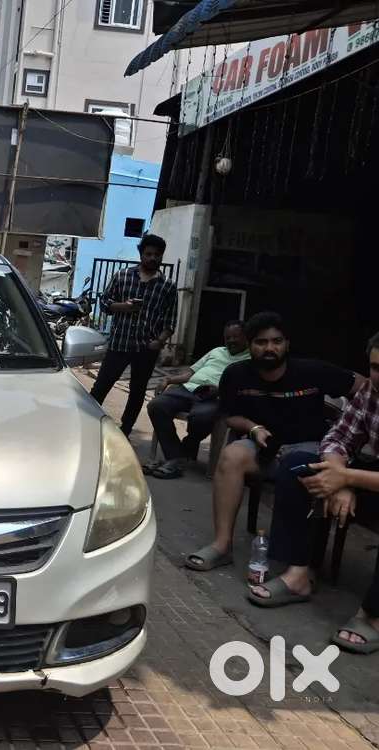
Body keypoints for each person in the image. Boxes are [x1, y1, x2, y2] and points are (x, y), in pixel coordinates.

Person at [186, 311, 366, 571]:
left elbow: (361, 386)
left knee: (298, 464)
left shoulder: (312, 370)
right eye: (261, 342)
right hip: (264, 448)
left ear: (287, 344)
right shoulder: (236, 374)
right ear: (250, 345)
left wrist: (357, 422)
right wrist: (253, 428)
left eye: (276, 341)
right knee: (232, 456)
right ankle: (221, 545)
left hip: (309, 452)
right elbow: (230, 415)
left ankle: (299, 565)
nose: (270, 348)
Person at [248, 333, 379, 652]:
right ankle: (299, 575)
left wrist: (346, 477)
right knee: (298, 466)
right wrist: (339, 477)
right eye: (376, 367)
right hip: (367, 473)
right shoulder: (372, 392)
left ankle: (374, 616)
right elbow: (339, 436)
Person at [90, 233, 178, 436]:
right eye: (148, 254)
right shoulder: (122, 276)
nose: (153, 258)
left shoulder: (167, 286)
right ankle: (89, 422)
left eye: (157, 255)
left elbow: (170, 320)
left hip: (146, 348)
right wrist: (124, 307)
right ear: (141, 254)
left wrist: (160, 341)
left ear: (162, 256)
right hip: (119, 343)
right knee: (101, 386)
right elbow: (104, 303)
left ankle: (126, 430)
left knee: (137, 393)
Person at [144, 321, 250, 479]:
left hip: (214, 396)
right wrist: (169, 380)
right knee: (156, 406)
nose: (231, 341)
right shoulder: (216, 351)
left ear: (246, 337)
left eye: (236, 337)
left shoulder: (250, 359)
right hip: (187, 389)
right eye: (228, 337)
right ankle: (176, 457)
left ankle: (181, 452)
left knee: (201, 417)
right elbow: (190, 373)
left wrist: (221, 390)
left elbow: (245, 387)